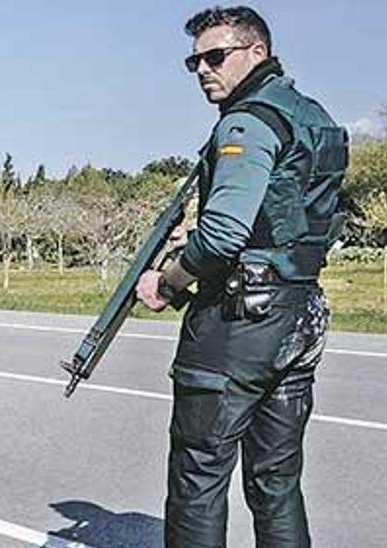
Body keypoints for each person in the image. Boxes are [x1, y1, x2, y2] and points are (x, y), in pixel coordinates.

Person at [135, 6, 346, 547]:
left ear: (257, 52)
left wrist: (169, 280)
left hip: (240, 318)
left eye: (215, 56)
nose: (203, 69)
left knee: (198, 476)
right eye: (194, 61)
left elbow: (225, 232)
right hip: (301, 311)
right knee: (276, 481)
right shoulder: (313, 115)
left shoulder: (247, 121)